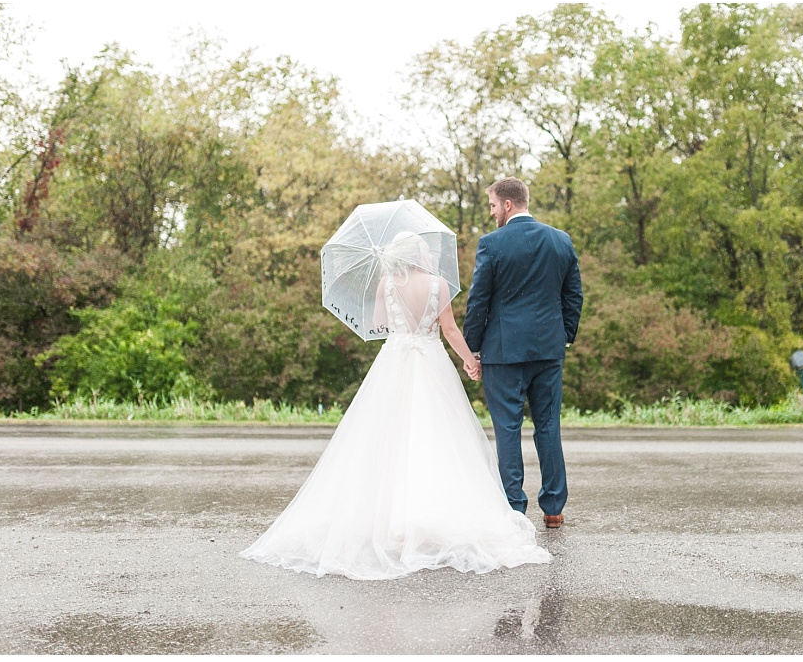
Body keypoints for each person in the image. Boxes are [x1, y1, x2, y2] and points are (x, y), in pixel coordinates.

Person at [240, 231, 552, 580]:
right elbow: (449, 330)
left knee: (386, 438)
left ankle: (387, 520)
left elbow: (378, 325)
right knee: (435, 438)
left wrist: (399, 314)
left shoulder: (386, 284)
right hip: (430, 362)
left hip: (395, 361)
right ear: (418, 253)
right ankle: (429, 515)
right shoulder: (439, 285)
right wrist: (470, 360)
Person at [463, 178, 583, 529]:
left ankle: (514, 509)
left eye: (492, 205)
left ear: (508, 205)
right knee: (548, 426)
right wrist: (564, 337)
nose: (491, 212)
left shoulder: (492, 244)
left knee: (507, 429)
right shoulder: (560, 240)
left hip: (503, 351)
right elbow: (573, 296)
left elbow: (479, 300)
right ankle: (554, 508)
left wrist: (473, 348)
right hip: (548, 350)